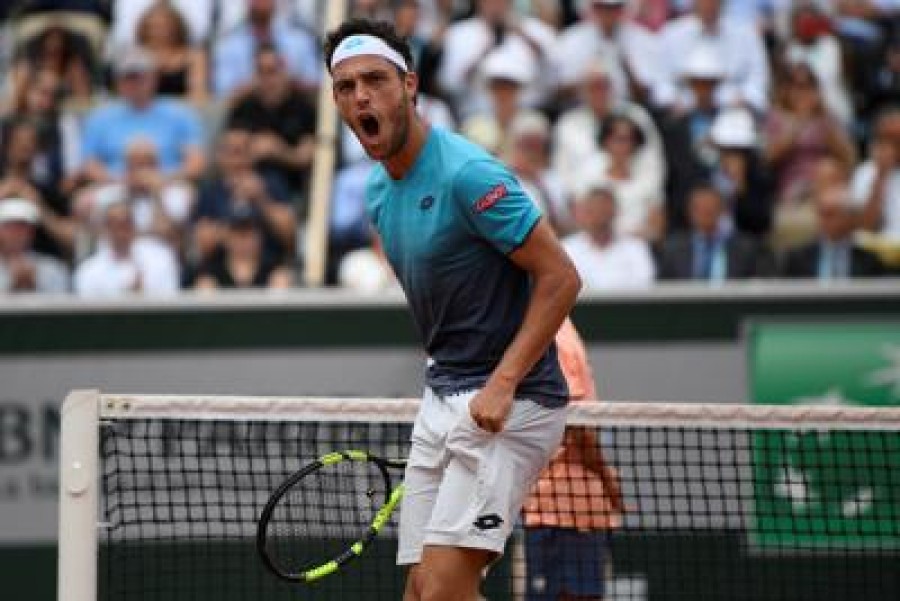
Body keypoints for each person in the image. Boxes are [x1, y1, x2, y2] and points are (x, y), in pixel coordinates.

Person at [324, 18, 581, 601]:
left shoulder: (471, 174)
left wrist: (502, 382)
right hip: (445, 396)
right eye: (345, 87)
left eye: (375, 80)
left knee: (442, 591)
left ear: (409, 85)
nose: (361, 96)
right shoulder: (376, 193)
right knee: (421, 592)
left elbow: (561, 277)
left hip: (512, 401)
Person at [522, 317, 624, 601]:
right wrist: (608, 481)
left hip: (570, 510)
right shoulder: (554, 336)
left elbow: (576, 423)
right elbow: (577, 426)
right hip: (561, 508)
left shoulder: (556, 335)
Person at [656, 184, 771, 282]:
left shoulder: (746, 248)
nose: (704, 214)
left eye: (709, 209)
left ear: (721, 210)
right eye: (699, 209)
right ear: (689, 212)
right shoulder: (673, 248)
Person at [74, 198, 180, 297]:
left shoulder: (161, 256)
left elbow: (171, 298)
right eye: (114, 224)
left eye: (126, 223)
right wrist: (126, 298)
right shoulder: (89, 270)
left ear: (134, 225)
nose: (121, 230)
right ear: (105, 228)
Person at [780, 186, 887, 280]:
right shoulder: (798, 260)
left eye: (830, 215)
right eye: (821, 214)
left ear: (849, 218)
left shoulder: (869, 262)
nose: (823, 221)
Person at [562, 185, 656, 290]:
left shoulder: (636, 247)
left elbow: (645, 285)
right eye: (594, 209)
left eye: (604, 209)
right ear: (585, 212)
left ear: (615, 211)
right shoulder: (566, 249)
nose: (599, 214)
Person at [190, 205, 293, 290]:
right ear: (226, 236)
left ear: (260, 237)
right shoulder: (212, 272)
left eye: (249, 233)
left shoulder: (272, 269)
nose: (243, 240)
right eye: (237, 233)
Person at [135, 0, 209, 105]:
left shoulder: (194, 56)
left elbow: (199, 93)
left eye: (165, 26)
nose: (159, 32)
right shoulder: (135, 56)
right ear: (145, 28)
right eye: (154, 27)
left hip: (182, 112)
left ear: (176, 27)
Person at [0, 196, 69, 293]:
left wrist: (32, 284)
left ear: (32, 232)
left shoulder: (52, 268)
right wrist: (13, 285)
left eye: (22, 227)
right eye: (9, 227)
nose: (15, 233)